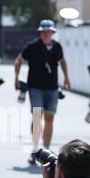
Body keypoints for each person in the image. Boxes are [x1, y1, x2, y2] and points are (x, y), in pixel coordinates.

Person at [14, 19, 71, 165]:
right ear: (40, 33)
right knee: (37, 117)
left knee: (50, 118)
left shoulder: (57, 47)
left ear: (52, 33)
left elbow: (63, 61)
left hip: (52, 88)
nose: (46, 34)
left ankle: (46, 150)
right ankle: (35, 150)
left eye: (49, 32)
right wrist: (16, 77)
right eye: (44, 32)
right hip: (35, 87)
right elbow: (19, 60)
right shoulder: (32, 46)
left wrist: (66, 78)